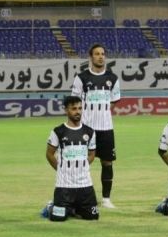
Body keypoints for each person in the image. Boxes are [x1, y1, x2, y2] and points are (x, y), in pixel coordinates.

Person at [71, 43, 120, 208]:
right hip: (86, 128)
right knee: (81, 161)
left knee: (107, 162)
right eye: (97, 54)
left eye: (103, 54)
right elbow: (75, 103)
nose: (100, 56)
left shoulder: (112, 78)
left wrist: (102, 115)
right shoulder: (81, 78)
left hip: (106, 128)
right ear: (91, 57)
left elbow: (112, 103)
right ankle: (76, 194)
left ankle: (106, 199)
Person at [41, 96, 99, 222]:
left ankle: (73, 208)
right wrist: (60, 169)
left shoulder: (89, 132)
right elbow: (50, 154)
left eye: (79, 108)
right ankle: (50, 206)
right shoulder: (58, 131)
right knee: (58, 218)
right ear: (66, 110)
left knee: (92, 216)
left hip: (85, 184)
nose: (77, 112)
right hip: (64, 185)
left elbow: (92, 154)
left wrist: (83, 166)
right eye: (74, 109)